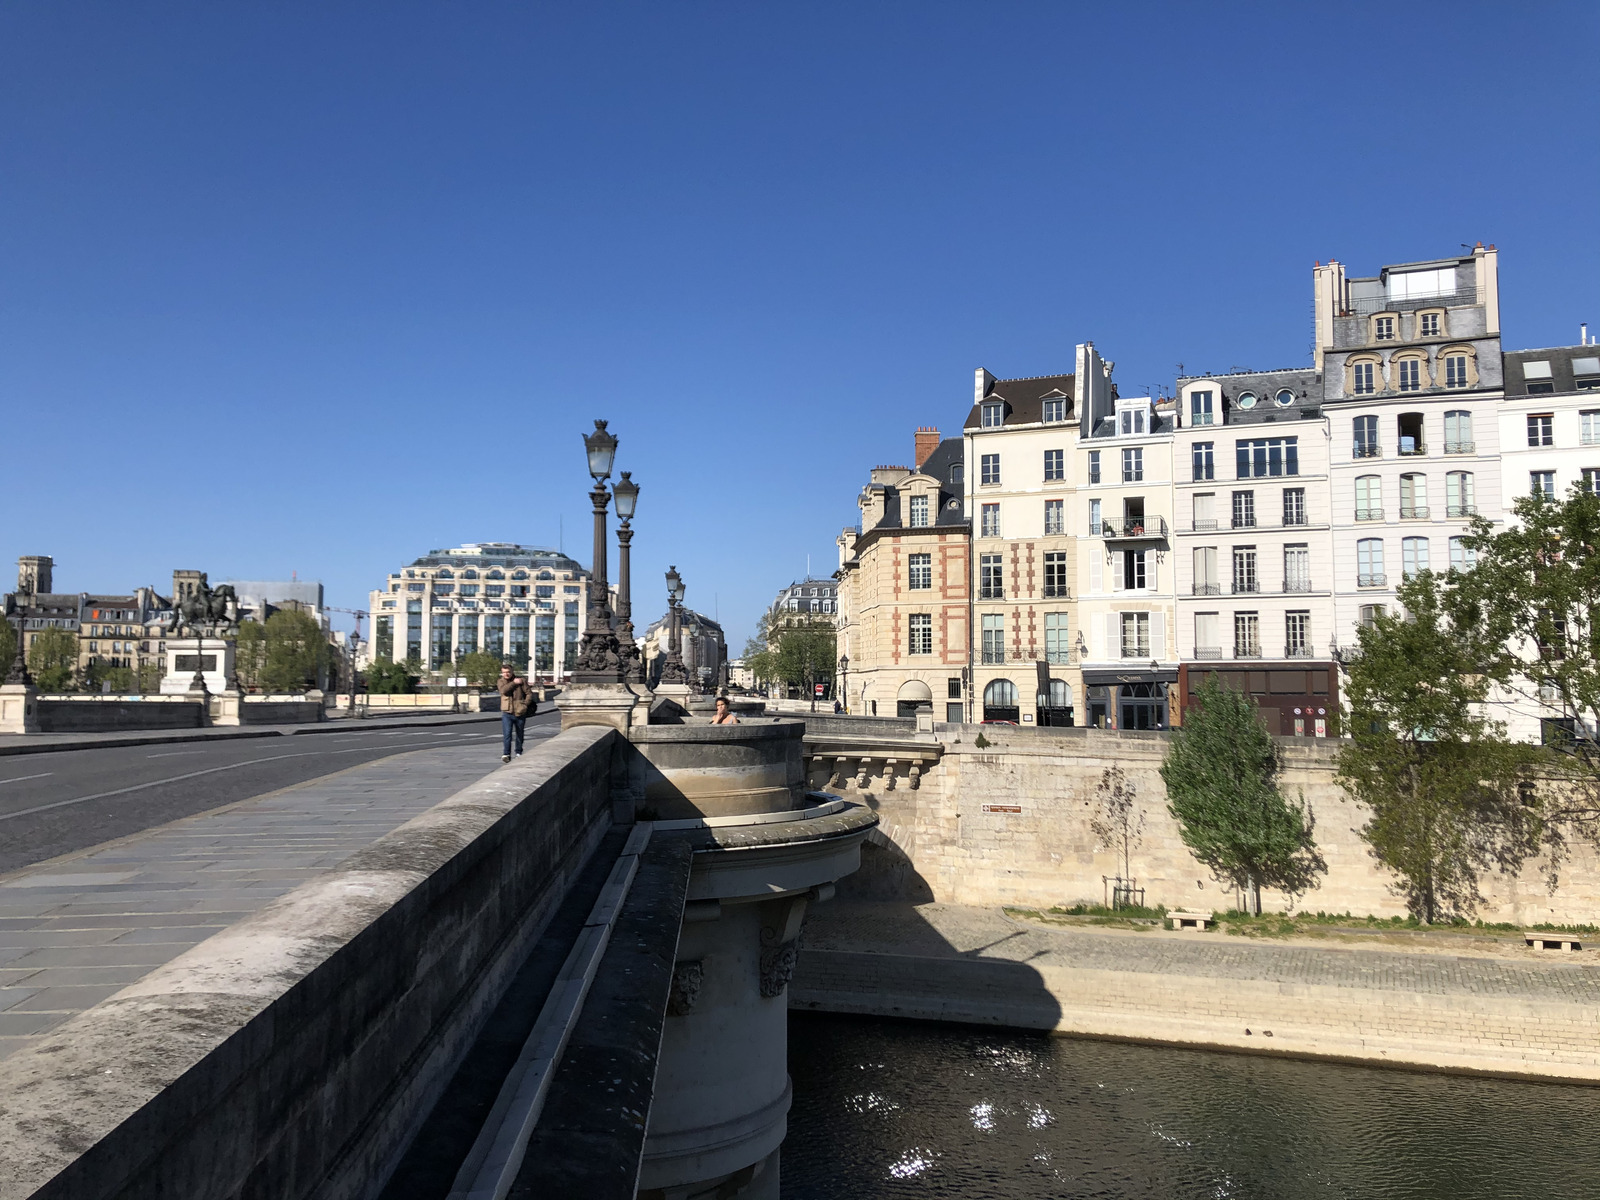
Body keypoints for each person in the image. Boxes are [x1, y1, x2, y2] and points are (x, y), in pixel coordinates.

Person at [497, 664, 535, 762]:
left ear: (512, 671)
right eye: (504, 672)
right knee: (507, 734)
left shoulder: (522, 681)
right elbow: (504, 691)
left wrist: (525, 704)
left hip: (519, 712)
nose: (506, 674)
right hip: (507, 712)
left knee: (519, 733)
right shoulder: (501, 681)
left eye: (508, 672)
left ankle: (518, 752)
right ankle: (506, 754)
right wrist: (514, 683)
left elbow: (529, 693)